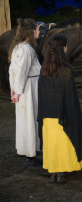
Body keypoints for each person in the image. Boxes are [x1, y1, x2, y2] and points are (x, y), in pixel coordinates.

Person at [38, 34, 82, 183]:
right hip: (63, 116)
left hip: (48, 116)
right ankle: (62, 172)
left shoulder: (44, 70)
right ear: (63, 48)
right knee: (64, 143)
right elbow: (70, 97)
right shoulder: (65, 70)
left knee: (52, 144)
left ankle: (54, 171)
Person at [8, 18, 42, 168]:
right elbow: (21, 72)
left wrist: (13, 89)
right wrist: (18, 92)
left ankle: (29, 149)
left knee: (26, 119)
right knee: (30, 119)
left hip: (25, 87)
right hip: (29, 88)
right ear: (32, 31)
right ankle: (29, 154)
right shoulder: (26, 49)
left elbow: (12, 71)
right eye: (37, 29)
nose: (39, 31)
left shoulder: (18, 47)